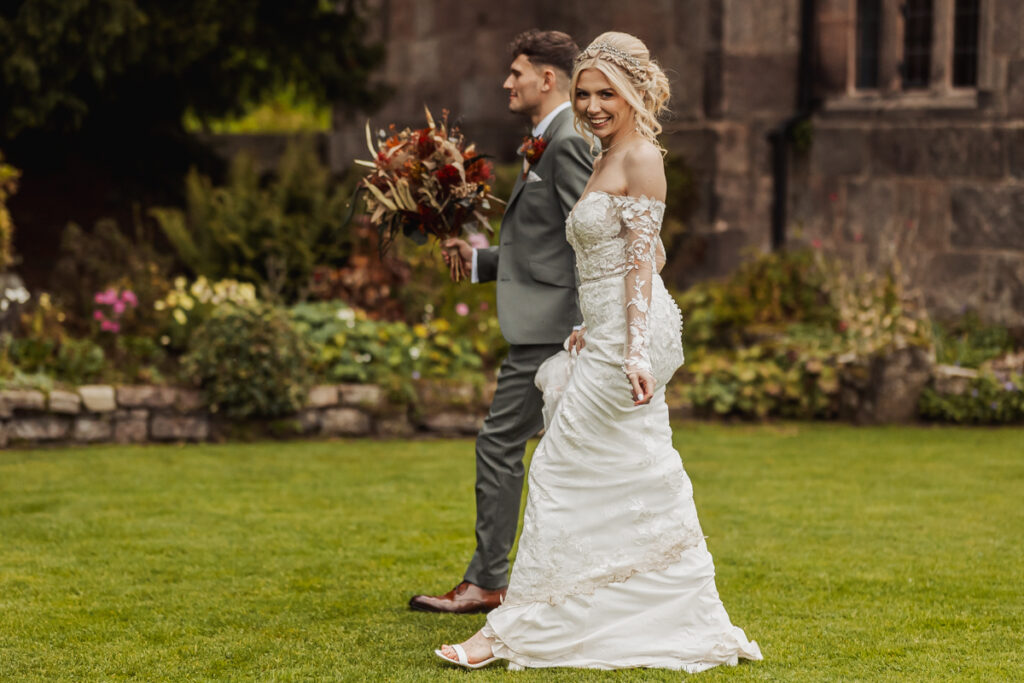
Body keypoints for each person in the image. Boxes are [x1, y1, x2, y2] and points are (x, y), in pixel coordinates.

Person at [434, 32, 764, 672]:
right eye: (583, 93)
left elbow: (643, 268)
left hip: (630, 341)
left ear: (636, 93)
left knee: (558, 469)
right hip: (609, 328)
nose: (591, 105)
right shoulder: (606, 153)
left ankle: (507, 632)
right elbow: (641, 254)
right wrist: (594, 316)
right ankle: (647, 605)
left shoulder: (639, 157)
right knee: (624, 471)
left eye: (605, 93)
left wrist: (633, 346)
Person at [408, 29, 593, 614]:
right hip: (547, 325)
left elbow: (589, 238)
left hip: (552, 331)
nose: (505, 83)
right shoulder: (546, 139)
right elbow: (549, 243)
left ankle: (488, 580)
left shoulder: (564, 142)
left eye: (516, 73)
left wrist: (588, 327)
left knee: (498, 444)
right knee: (553, 450)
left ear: (547, 78)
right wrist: (482, 259)